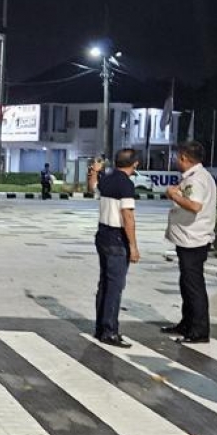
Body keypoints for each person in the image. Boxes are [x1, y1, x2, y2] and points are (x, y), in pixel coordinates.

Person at [161, 141, 217, 343]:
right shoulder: (199, 176)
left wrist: (174, 194)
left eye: (178, 156)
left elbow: (194, 206)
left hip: (193, 239)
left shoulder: (196, 179)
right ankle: (187, 323)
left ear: (184, 157)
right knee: (187, 283)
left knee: (193, 286)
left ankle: (199, 330)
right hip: (189, 238)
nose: (177, 160)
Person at [94, 148, 141, 348]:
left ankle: (100, 327)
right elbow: (127, 217)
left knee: (105, 283)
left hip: (102, 235)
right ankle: (110, 331)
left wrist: (95, 171)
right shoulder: (126, 184)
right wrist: (133, 246)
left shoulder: (107, 179)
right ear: (135, 164)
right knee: (115, 286)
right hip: (116, 238)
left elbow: (93, 187)